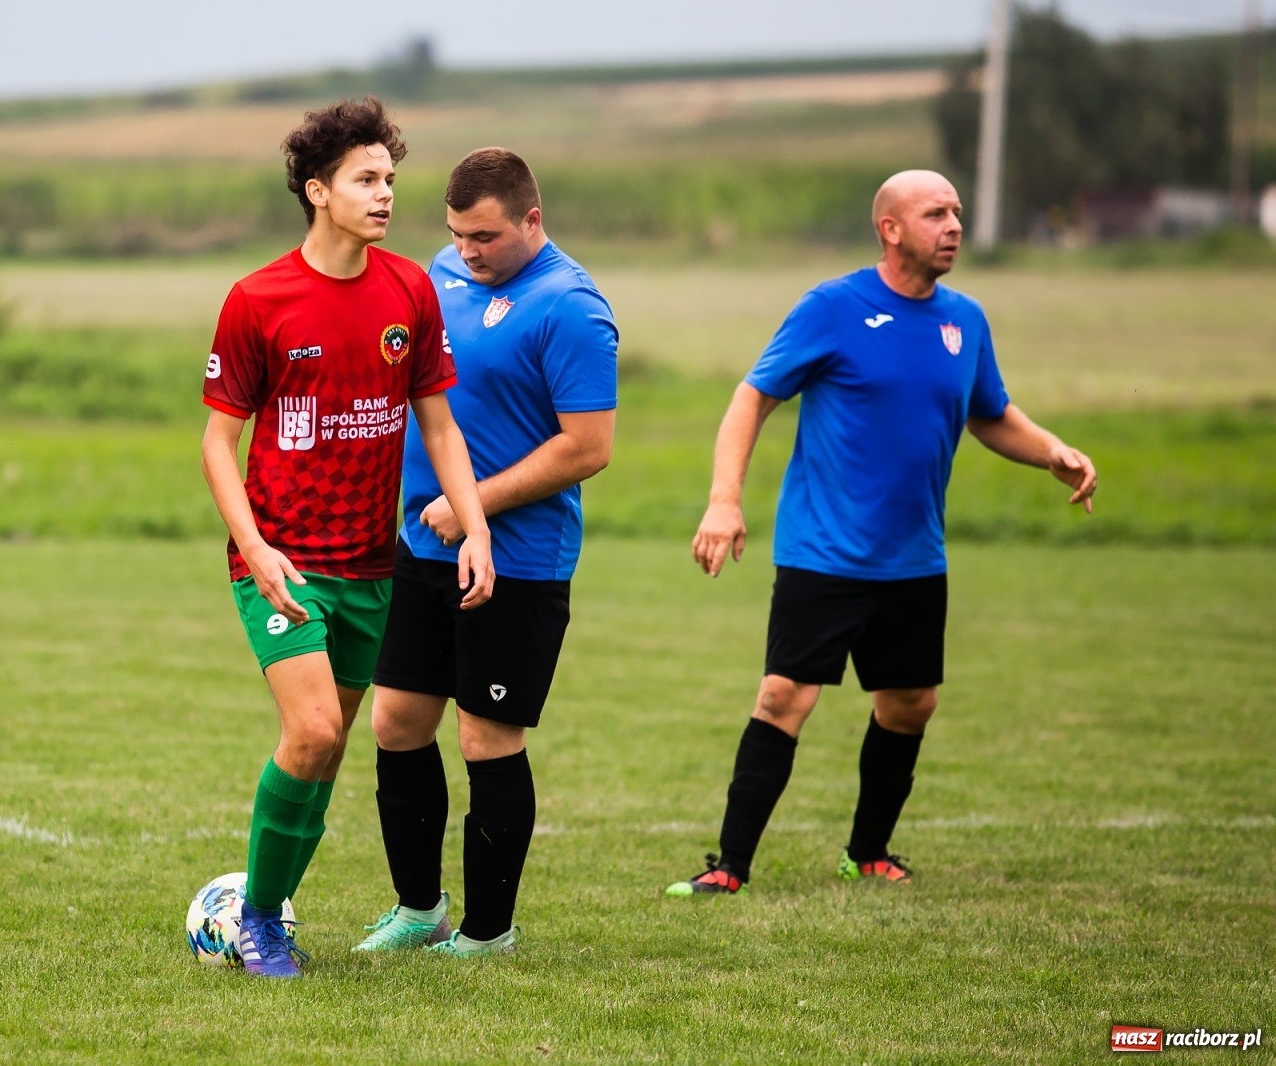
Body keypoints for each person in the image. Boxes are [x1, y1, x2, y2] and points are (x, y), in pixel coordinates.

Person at [666, 169, 1097, 897]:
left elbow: (990, 412)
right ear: (890, 229)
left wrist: (1051, 450)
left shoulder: (966, 320)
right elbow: (752, 398)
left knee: (910, 703)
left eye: (956, 212)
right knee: (784, 697)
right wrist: (723, 500)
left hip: (914, 557)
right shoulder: (833, 308)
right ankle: (728, 866)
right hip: (823, 551)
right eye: (935, 214)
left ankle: (867, 853)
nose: (954, 226)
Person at [200, 97, 494, 978]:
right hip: (281, 561)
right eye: (366, 179)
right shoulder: (258, 300)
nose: (385, 194)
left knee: (324, 757)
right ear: (318, 191)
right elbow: (217, 443)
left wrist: (476, 526)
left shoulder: (410, 290)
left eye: (390, 178)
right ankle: (259, 920)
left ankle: (268, 911)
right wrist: (255, 548)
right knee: (315, 731)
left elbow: (439, 425)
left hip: (371, 566)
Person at [352, 148, 617, 957]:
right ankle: (418, 910)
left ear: (532, 220)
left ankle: (488, 931)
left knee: (486, 739)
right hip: (420, 542)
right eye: (457, 234)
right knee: (397, 722)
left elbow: (587, 447)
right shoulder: (443, 271)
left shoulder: (571, 306)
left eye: (486, 237)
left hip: (519, 558)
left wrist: (472, 508)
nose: (467, 251)